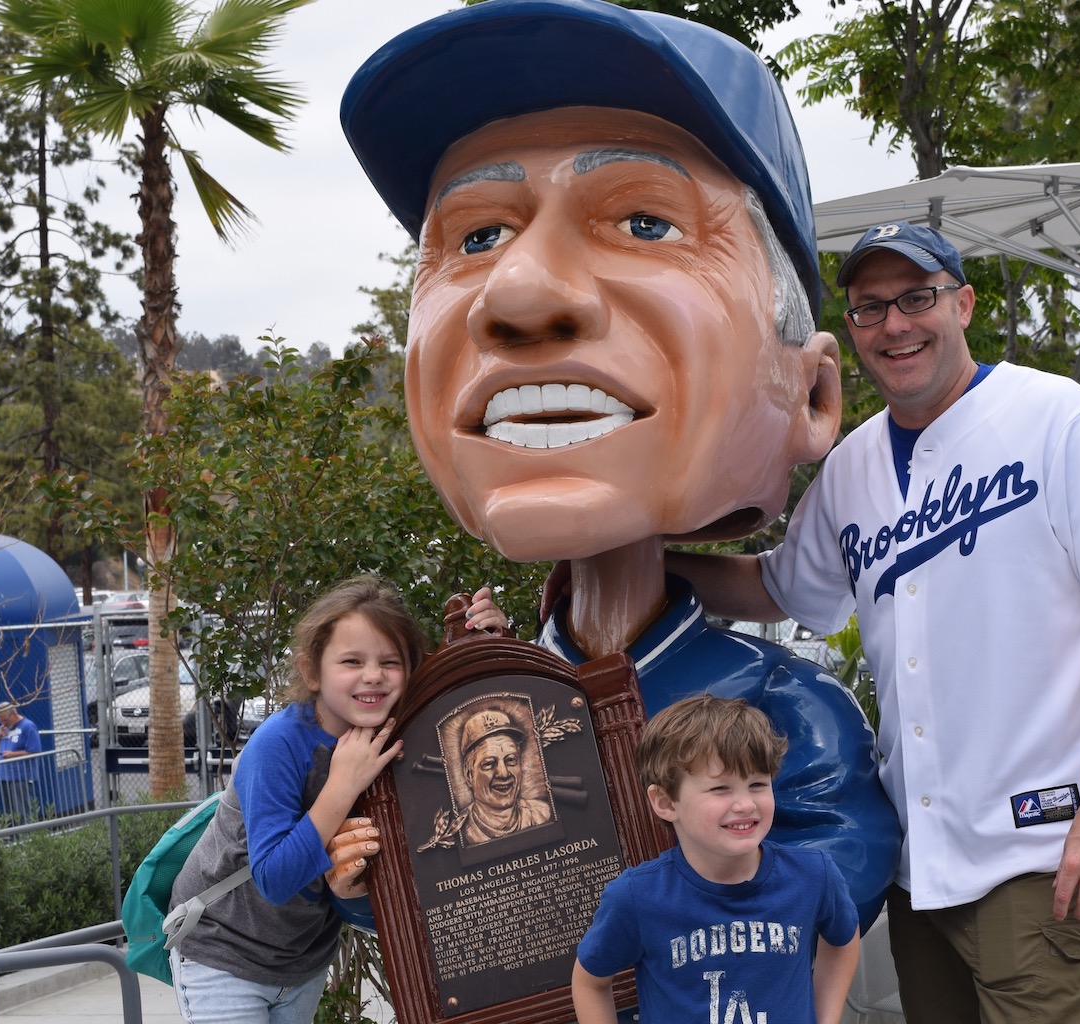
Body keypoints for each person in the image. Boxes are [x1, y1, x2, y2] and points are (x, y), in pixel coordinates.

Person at [336, 0, 900, 932]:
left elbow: (838, 873)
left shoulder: (782, 709)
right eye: (476, 238)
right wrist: (365, 884)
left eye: (643, 222)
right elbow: (437, 914)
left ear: (813, 396)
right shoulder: (466, 721)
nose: (518, 291)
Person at [667, 221, 1080, 1024]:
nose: (895, 325)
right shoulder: (853, 466)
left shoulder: (1057, 419)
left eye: (917, 298)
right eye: (871, 309)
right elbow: (781, 588)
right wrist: (640, 559)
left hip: (1041, 855)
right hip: (922, 866)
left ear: (963, 303)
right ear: (852, 333)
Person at [168, 578, 505, 1024]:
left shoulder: (399, 741)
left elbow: (370, 892)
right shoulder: (278, 746)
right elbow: (273, 878)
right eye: (351, 661)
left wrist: (494, 644)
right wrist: (342, 786)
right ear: (312, 672)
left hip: (303, 963)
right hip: (223, 955)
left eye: (391, 661)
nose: (373, 675)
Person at [571, 694, 859, 1024]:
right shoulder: (636, 898)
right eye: (721, 788)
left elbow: (843, 942)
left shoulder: (813, 876)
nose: (746, 804)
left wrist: (827, 1019)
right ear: (665, 802)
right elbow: (590, 982)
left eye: (757, 784)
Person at [456, 706, 553, 845]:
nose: (503, 773)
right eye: (489, 763)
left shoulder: (542, 815)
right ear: (469, 775)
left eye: (511, 760)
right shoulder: (459, 832)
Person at [0, 704, 40, 825]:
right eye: (1, 720)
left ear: (13, 714)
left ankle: (26, 838)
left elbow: (34, 751)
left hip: (20, 776)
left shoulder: (28, 726)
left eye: (5, 720)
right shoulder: (5, 728)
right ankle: (14, 840)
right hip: (4, 776)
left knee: (23, 811)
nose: (3, 723)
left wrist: (12, 755)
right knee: (10, 813)